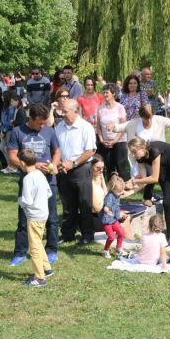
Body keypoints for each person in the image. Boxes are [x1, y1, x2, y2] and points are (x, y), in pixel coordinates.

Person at [107, 104, 170, 206]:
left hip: (159, 156)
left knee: (161, 177)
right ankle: (147, 197)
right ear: (141, 116)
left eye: (150, 117)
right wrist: (113, 127)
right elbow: (121, 127)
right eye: (146, 118)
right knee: (147, 176)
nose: (149, 120)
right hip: (142, 156)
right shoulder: (134, 123)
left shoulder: (159, 120)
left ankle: (168, 197)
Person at [7, 103, 61, 266]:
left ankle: (51, 249)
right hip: (28, 183)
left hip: (48, 182)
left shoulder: (49, 131)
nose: (42, 126)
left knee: (51, 217)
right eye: (39, 123)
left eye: (44, 123)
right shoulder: (18, 132)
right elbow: (12, 158)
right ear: (30, 119)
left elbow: (56, 152)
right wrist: (35, 166)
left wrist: (54, 166)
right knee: (24, 219)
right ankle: (20, 253)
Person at [56, 99, 96, 245]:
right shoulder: (60, 126)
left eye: (65, 112)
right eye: (62, 111)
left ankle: (87, 234)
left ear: (75, 112)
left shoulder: (86, 127)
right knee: (68, 204)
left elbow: (90, 150)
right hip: (64, 169)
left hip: (81, 169)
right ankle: (68, 234)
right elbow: (57, 147)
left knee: (84, 203)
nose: (63, 114)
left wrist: (73, 163)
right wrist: (61, 163)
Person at [17, 148, 54, 287]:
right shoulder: (40, 174)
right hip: (43, 213)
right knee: (38, 241)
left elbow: (26, 200)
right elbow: (49, 192)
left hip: (34, 216)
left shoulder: (28, 178)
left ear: (22, 163)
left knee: (34, 247)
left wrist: (19, 200)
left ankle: (39, 278)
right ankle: (47, 268)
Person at [96, 83, 128, 180]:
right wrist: (101, 140)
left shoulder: (120, 107)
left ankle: (123, 186)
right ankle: (111, 187)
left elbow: (123, 126)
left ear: (113, 93)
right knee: (109, 165)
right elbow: (99, 126)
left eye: (107, 92)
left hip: (119, 141)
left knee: (119, 163)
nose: (105, 95)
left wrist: (114, 141)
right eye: (104, 92)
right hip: (105, 141)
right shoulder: (100, 108)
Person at [99, 173, 129, 258]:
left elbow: (116, 207)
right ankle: (105, 250)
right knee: (111, 237)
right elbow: (105, 208)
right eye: (119, 191)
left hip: (113, 219)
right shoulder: (109, 197)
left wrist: (120, 215)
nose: (120, 193)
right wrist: (108, 212)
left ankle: (118, 249)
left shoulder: (117, 195)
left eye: (121, 191)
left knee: (121, 232)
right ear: (112, 188)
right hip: (107, 221)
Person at [0, 91, 15, 173]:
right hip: (4, 129)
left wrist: (4, 131)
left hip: (9, 130)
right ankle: (9, 165)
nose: (1, 97)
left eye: (2, 96)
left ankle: (12, 166)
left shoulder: (10, 108)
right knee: (2, 147)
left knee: (9, 148)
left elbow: (9, 121)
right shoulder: (4, 107)